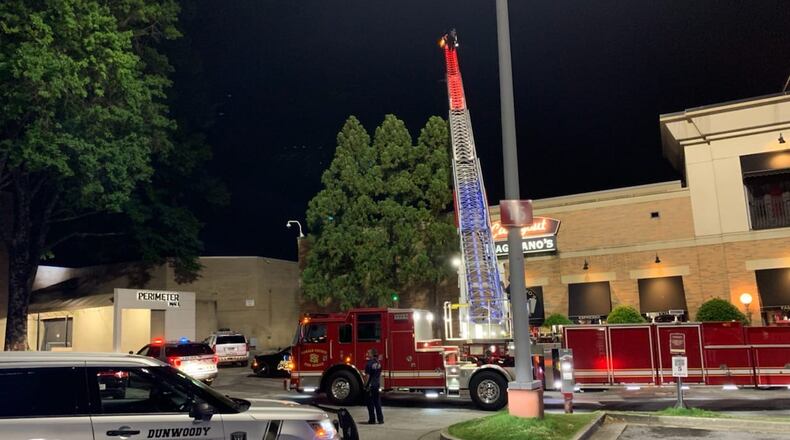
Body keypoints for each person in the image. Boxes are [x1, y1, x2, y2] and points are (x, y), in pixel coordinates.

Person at [363, 348, 383, 424]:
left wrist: (365, 385)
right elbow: (379, 375)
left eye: (368, 352)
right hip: (376, 385)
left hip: (370, 386)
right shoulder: (378, 363)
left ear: (371, 354)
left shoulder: (368, 364)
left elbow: (367, 376)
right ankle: (380, 419)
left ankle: (372, 420)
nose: (367, 353)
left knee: (370, 403)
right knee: (377, 402)